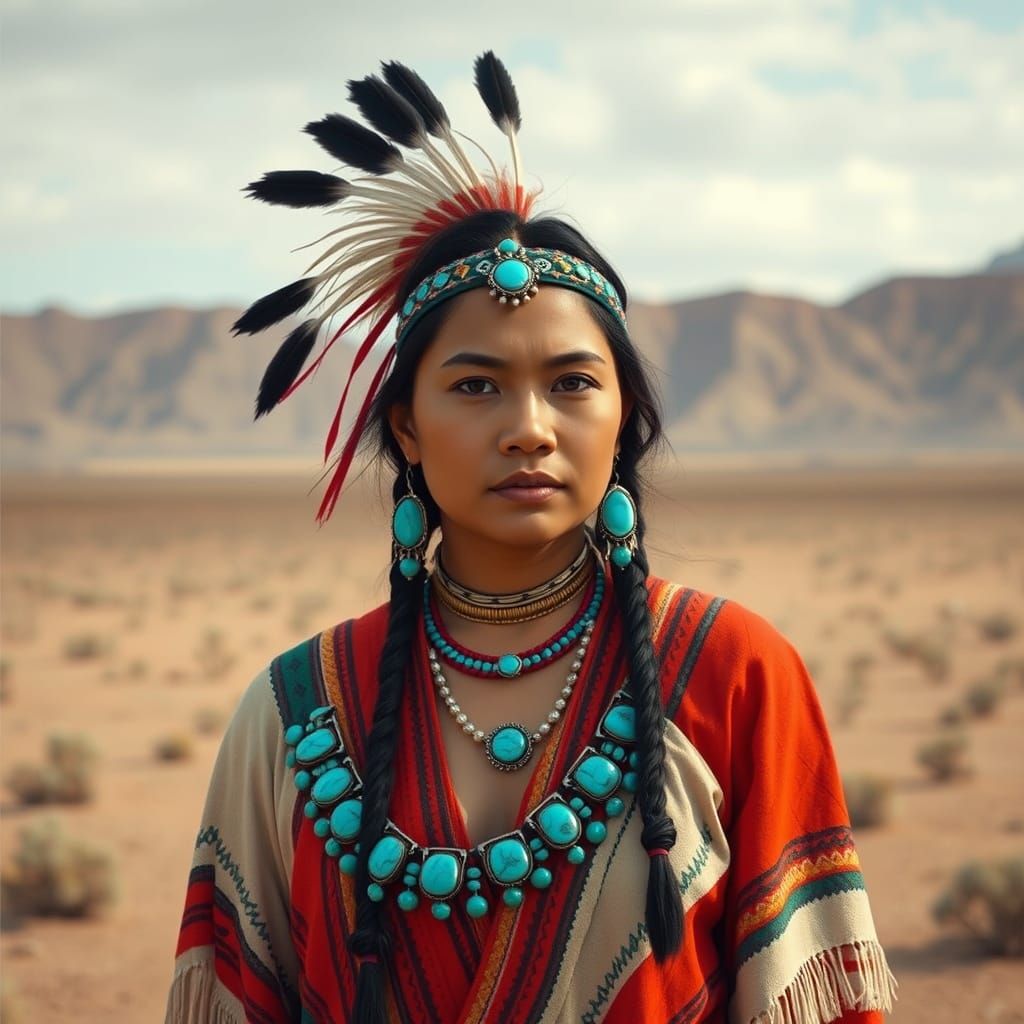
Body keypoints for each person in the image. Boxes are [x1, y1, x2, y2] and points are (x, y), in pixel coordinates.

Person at [165, 54, 896, 1024]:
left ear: (623, 413)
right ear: (407, 429)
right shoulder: (296, 711)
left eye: (571, 382)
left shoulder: (734, 673)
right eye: (474, 385)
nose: (529, 427)